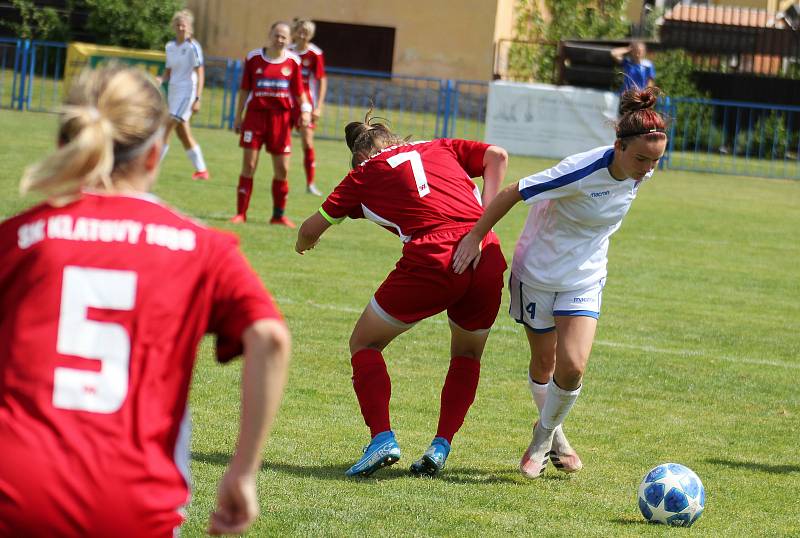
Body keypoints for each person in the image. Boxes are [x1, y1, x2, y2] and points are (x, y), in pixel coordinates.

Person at [0, 64, 291, 536]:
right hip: (132, 499)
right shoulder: (201, 248)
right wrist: (242, 471)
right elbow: (271, 338)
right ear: (155, 154)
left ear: (65, 144)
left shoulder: (19, 238)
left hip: (14, 490)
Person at [453, 86, 668, 479]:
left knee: (573, 366)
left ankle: (543, 436)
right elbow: (512, 191)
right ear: (618, 146)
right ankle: (559, 438)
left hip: (584, 278)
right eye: (641, 159)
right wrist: (474, 237)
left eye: (655, 162)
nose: (647, 169)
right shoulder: (581, 171)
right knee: (545, 362)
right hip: (537, 273)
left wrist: (644, 167)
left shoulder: (640, 172)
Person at [295, 111, 509, 478]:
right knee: (467, 353)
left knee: (363, 343)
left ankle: (382, 438)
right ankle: (440, 446)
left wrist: (304, 243)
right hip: (485, 250)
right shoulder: (439, 145)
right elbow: (498, 155)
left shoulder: (363, 174)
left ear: (361, 156)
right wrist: (482, 221)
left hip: (435, 258)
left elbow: (311, 228)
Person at [232, 21, 312, 227]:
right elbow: (244, 90)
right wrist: (238, 116)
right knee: (249, 165)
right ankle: (241, 213)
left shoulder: (293, 61)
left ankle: (278, 216)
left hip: (281, 119)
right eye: (277, 35)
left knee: (282, 170)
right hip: (255, 117)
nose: (280, 40)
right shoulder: (253, 58)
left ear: (289, 39)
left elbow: (299, 92)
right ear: (270, 34)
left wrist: (305, 112)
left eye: (284, 37)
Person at [159, 9, 210, 180]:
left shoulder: (193, 47)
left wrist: (197, 98)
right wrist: (160, 80)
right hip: (173, 92)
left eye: (184, 25)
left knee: (166, 126)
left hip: (187, 92)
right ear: (174, 26)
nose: (181, 28)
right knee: (183, 134)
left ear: (190, 28)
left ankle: (152, 167)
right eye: (178, 25)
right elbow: (168, 71)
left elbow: (200, 72)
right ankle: (202, 171)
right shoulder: (170, 46)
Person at [290, 18, 327, 196]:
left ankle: (310, 183)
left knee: (307, 142)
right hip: (287, 102)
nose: (303, 34)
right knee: (282, 142)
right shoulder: (287, 51)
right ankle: (282, 180)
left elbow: (322, 81)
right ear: (295, 32)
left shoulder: (315, 54)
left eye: (307, 32)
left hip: (306, 104)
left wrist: (318, 106)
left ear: (311, 34)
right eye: (300, 30)